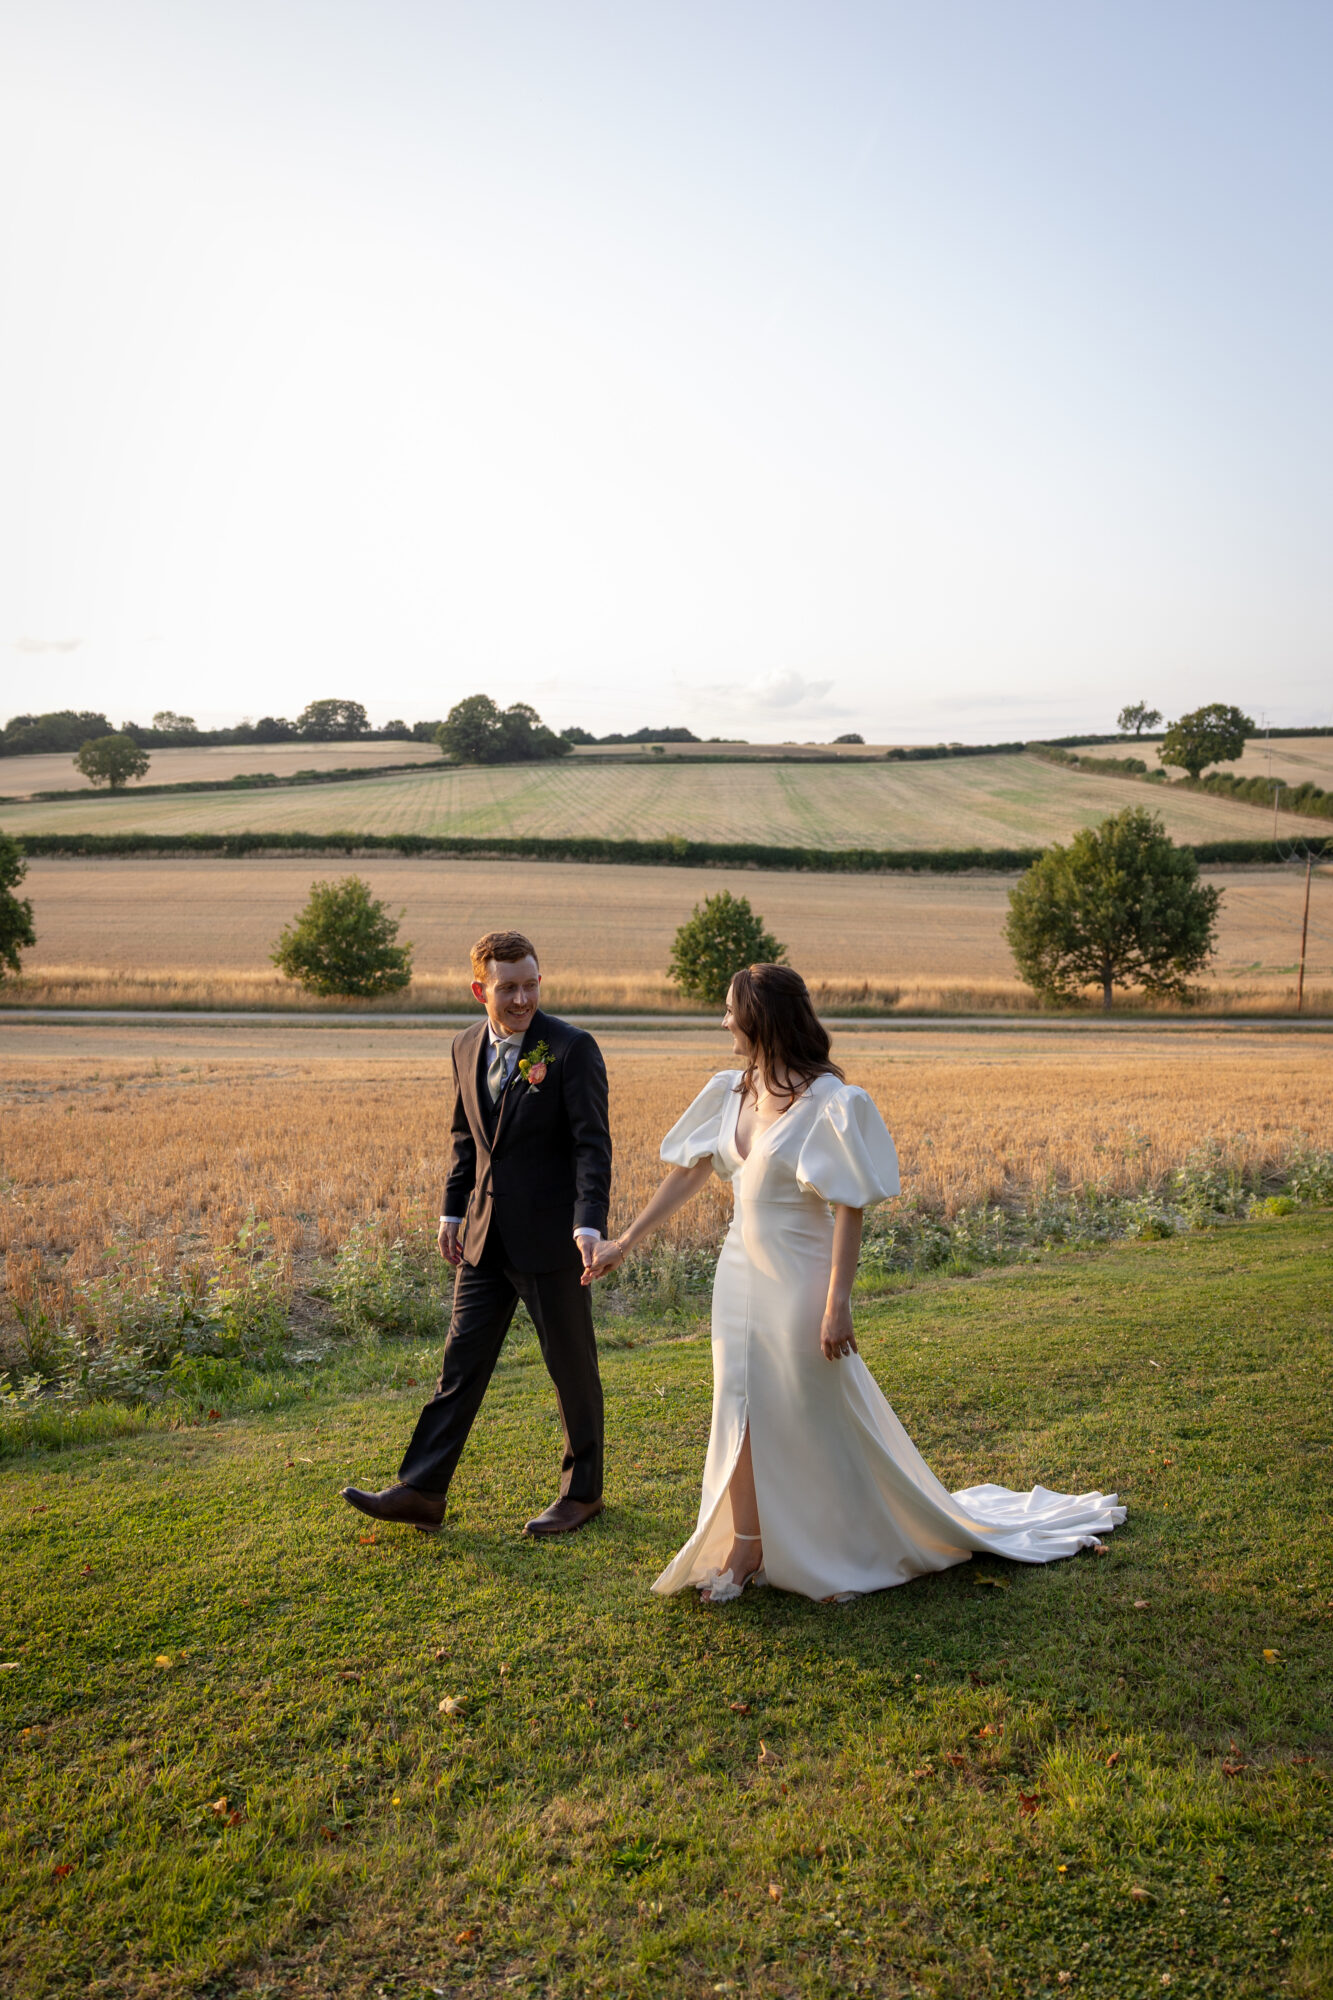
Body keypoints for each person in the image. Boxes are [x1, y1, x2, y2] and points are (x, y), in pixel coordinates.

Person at [584, 962, 1125, 1602]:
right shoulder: (731, 1090)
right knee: (736, 1409)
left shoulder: (831, 1103)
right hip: (737, 1277)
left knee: (811, 1411)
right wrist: (625, 1241)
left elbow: (849, 1207)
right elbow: (690, 1173)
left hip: (801, 1281)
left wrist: (838, 1303)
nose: (723, 1021)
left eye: (731, 1010)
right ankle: (747, 1546)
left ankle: (842, 1540)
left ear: (760, 1017)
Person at [343, 929, 612, 1537]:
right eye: (508, 988)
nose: (522, 999)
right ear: (478, 990)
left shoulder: (571, 1049)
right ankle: (422, 1490)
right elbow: (467, 1139)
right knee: (459, 1365)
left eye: (531, 985)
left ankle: (583, 1493)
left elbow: (592, 1147)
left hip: (553, 1241)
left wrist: (588, 1225)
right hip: (484, 1238)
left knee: (571, 1368)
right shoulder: (465, 1046)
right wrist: (451, 1211)